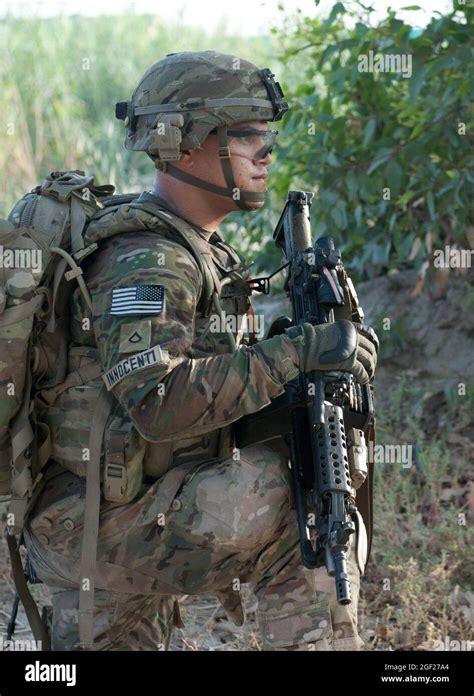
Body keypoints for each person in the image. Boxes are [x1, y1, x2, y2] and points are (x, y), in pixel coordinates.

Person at [23, 50, 378, 651]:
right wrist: (296, 354)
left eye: (268, 137)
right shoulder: (149, 261)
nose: (266, 154)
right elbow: (158, 401)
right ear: (180, 144)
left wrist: (302, 357)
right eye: (246, 137)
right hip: (100, 523)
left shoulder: (194, 248)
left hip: (118, 503)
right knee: (304, 514)